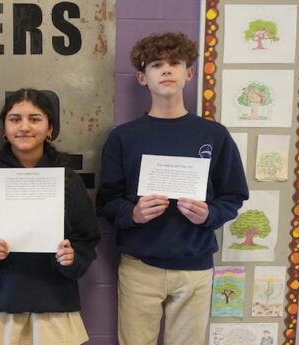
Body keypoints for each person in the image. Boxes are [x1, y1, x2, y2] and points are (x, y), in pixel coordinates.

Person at [96, 32, 249, 345]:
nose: (166, 70)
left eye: (175, 63)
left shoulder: (214, 135)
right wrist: (133, 213)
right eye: (156, 64)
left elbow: (233, 195)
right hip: (140, 265)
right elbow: (107, 201)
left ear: (189, 73)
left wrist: (210, 214)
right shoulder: (123, 137)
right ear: (142, 77)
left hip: (194, 266)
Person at [0, 88, 101, 345]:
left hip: (55, 305)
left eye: (35, 119)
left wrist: (72, 258)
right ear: (4, 129)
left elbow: (87, 240)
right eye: (15, 119)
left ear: (49, 129)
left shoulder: (68, 178)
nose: (24, 127)